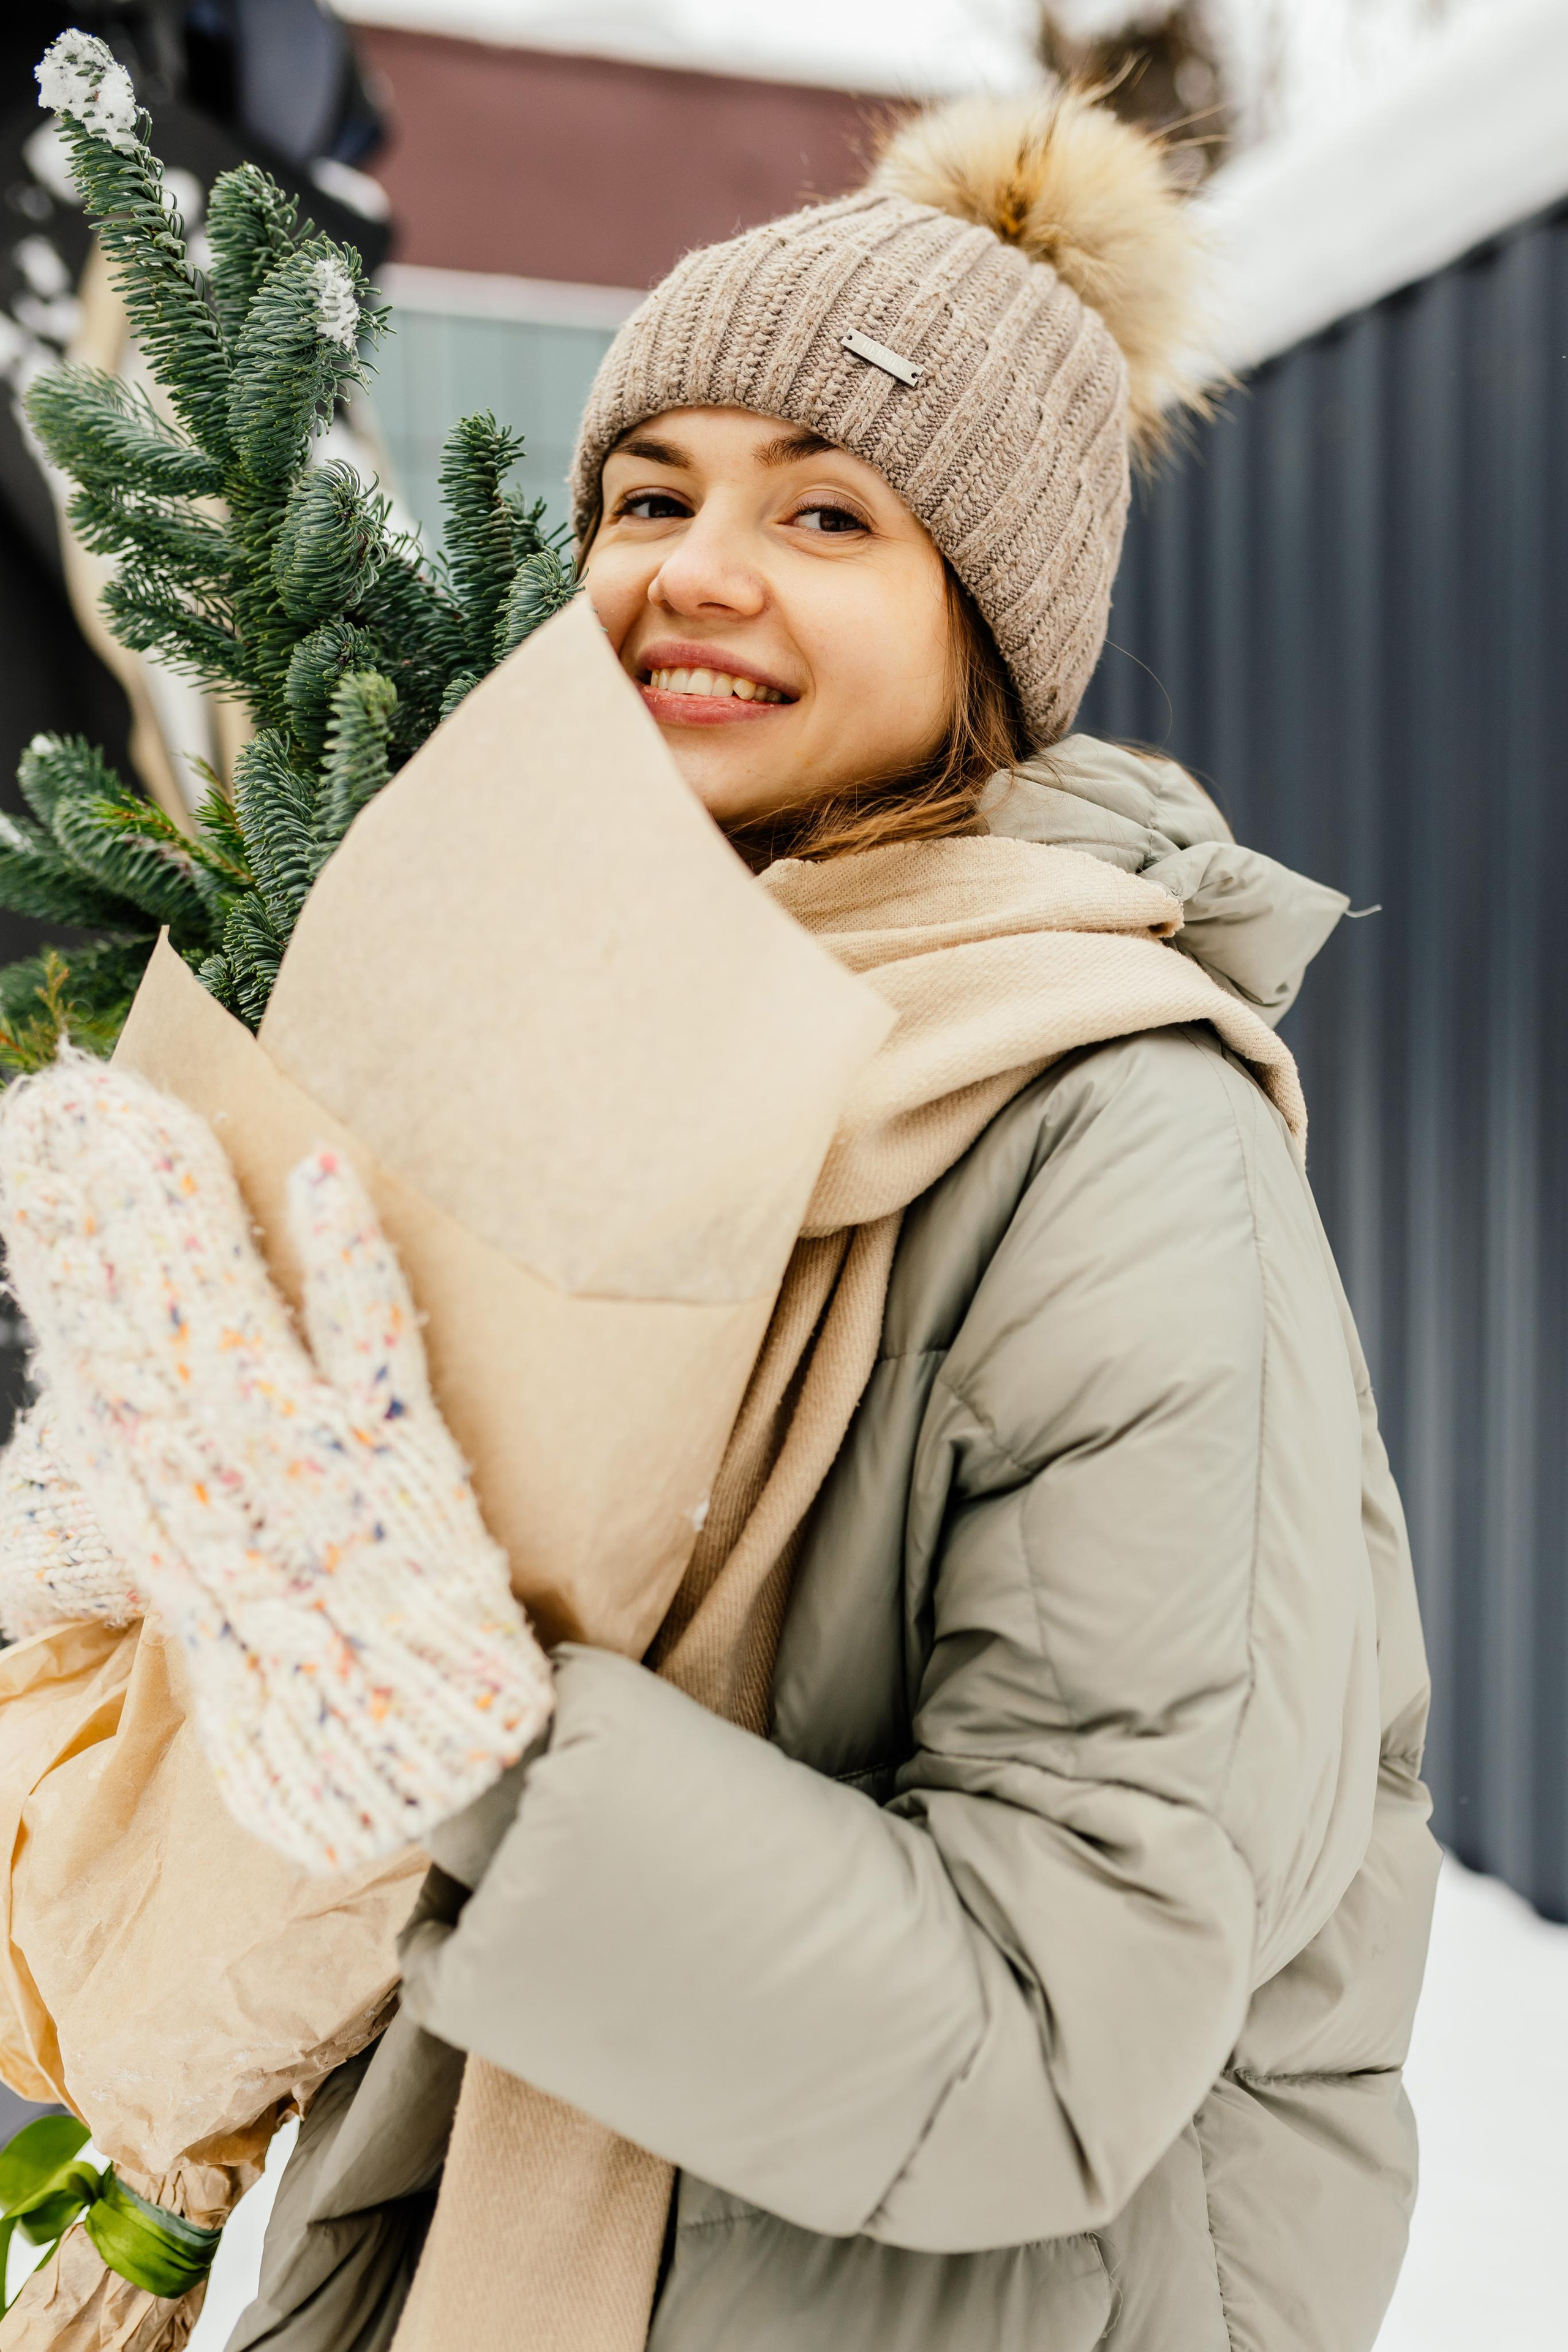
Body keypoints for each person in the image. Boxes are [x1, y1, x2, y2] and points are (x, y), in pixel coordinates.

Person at [0, 87, 1437, 2352]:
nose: (691, 566)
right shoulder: (582, 1036)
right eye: (648, 496)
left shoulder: (1116, 1146)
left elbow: (1061, 2034)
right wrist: (168, 1554)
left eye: (828, 512)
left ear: (994, 627)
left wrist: (469, 1734)